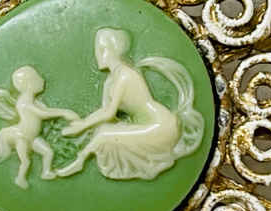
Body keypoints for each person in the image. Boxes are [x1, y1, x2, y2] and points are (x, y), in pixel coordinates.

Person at [58, 28, 204, 180]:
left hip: (160, 125)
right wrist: (83, 123)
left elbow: (109, 113)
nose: (98, 55)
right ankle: (80, 159)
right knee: (102, 129)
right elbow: (105, 110)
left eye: (102, 49)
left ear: (113, 50)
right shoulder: (111, 80)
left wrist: (82, 126)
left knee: (103, 135)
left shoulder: (125, 75)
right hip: (142, 123)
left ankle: (80, 161)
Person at [0, 66, 79, 189]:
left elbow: (46, 111)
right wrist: (64, 113)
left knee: (48, 152)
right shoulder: (24, 102)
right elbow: (43, 114)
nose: (42, 80)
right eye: (37, 78)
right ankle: (20, 179)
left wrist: (63, 113)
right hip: (22, 136)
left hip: (33, 137)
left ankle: (46, 172)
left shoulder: (35, 102)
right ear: (29, 84)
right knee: (25, 161)